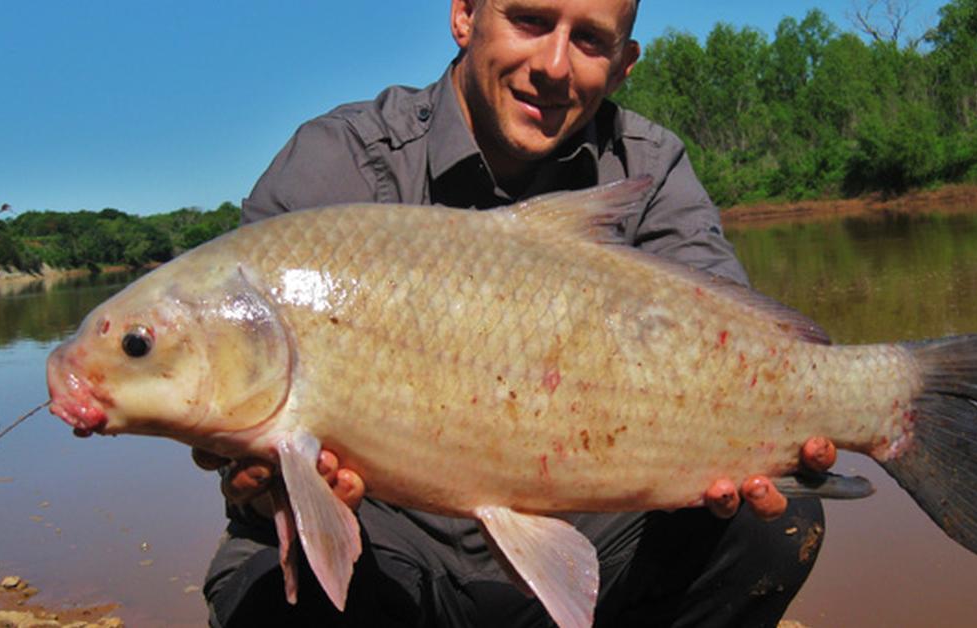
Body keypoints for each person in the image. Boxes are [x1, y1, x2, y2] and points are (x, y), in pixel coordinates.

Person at [197, 0, 837, 625]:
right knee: (269, 596)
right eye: (530, 20)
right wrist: (250, 475)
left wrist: (805, 404)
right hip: (389, 546)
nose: (554, 64)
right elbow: (225, 401)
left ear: (623, 65)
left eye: (590, 40)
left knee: (774, 526)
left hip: (590, 533)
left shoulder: (648, 164)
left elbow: (740, 346)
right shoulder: (338, 160)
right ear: (464, 17)